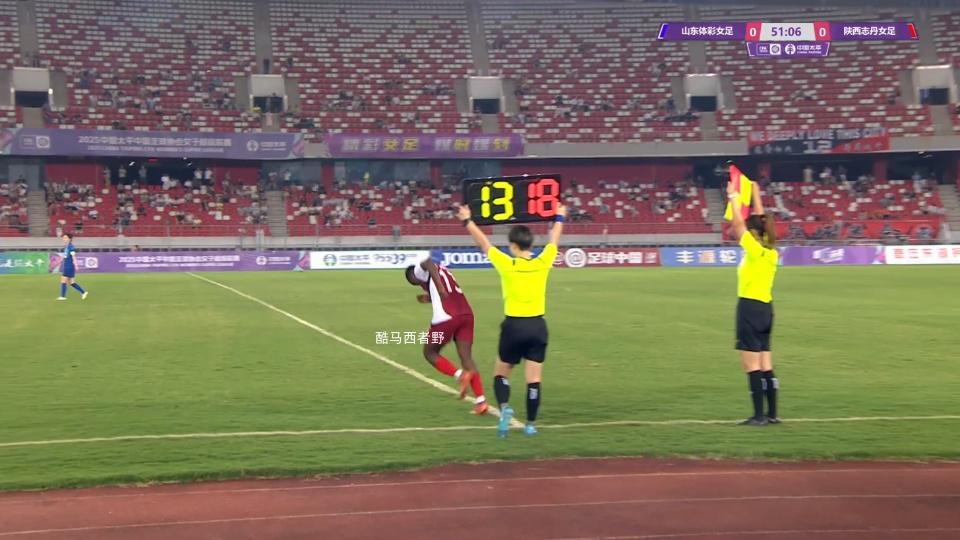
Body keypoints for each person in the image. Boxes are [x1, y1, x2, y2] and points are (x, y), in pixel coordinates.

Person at [457, 202, 568, 438]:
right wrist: (559, 217)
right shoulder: (542, 262)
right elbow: (554, 241)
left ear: (514, 246)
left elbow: (484, 244)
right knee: (534, 380)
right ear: (530, 245)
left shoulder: (507, 264)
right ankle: (530, 425)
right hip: (537, 326)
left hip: (513, 327)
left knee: (501, 374)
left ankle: (505, 409)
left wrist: (467, 220)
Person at [405, 258, 488, 415]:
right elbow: (446, 290)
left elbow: (427, 262)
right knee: (466, 358)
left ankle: (460, 375)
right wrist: (430, 297)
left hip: (446, 317)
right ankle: (481, 401)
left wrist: (440, 288)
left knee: (430, 353)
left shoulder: (418, 271)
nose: (419, 285)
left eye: (415, 283)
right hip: (466, 315)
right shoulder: (443, 271)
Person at [726, 183, 779, 426]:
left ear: (754, 232)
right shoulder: (771, 252)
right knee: (766, 363)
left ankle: (758, 416)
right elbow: (762, 221)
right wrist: (756, 193)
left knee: (751, 365)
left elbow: (738, 226)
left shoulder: (754, 251)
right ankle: (772, 414)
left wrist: (733, 197)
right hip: (766, 310)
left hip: (749, 308)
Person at [57, 233, 88, 301]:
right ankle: (83, 292)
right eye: (63, 238)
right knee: (71, 282)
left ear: (69, 239)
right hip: (67, 265)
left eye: (65, 238)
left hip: (69, 266)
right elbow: (66, 256)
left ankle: (63, 296)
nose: (64, 239)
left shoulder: (71, 247)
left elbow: (74, 256)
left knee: (63, 280)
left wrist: (76, 265)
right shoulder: (67, 247)